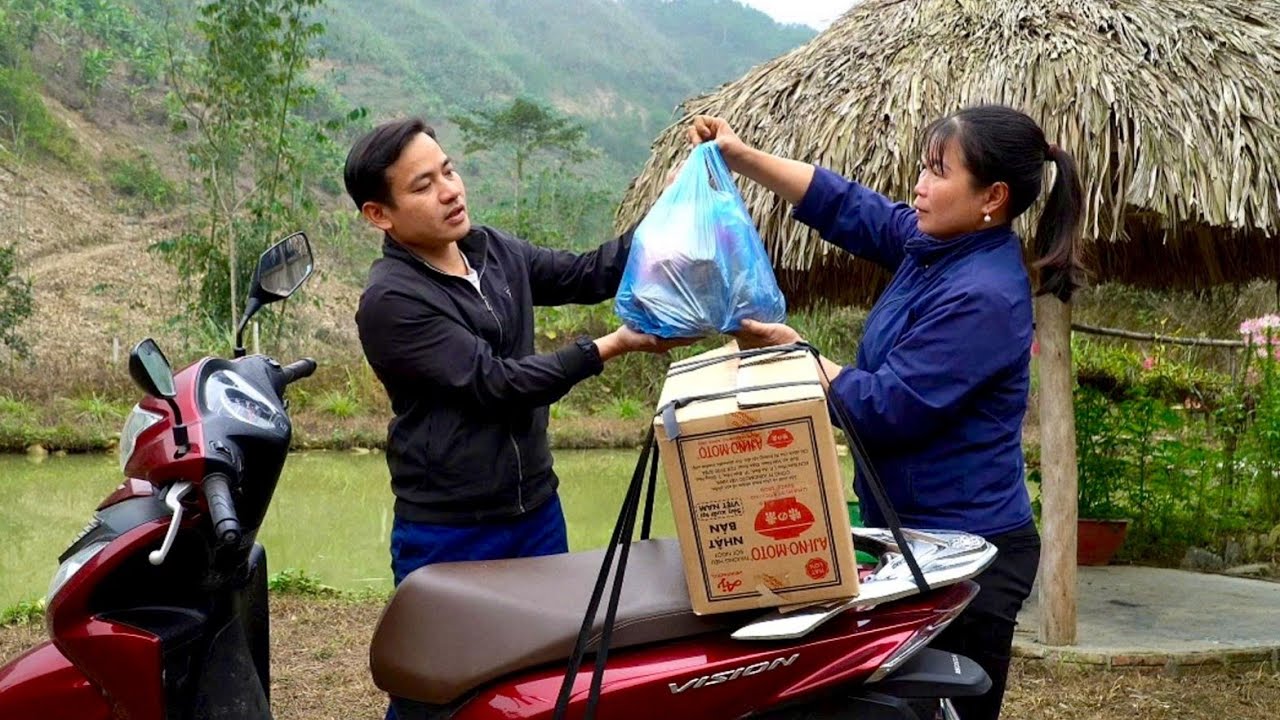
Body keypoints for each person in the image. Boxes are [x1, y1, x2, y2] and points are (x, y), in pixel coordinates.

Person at [689, 105, 1084, 720]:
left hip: (968, 554)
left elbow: (887, 408)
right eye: (923, 169)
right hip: (909, 538)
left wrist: (800, 359)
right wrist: (741, 157)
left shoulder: (983, 294)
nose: (920, 187)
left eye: (938, 172)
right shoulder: (938, 247)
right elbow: (854, 208)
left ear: (992, 197)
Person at [345, 117, 686, 589]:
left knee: (552, 654)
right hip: (450, 529)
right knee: (460, 660)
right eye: (424, 185)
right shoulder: (392, 300)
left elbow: (587, 274)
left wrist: (669, 208)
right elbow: (496, 384)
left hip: (536, 510)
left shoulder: (494, 251)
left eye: (448, 171)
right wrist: (612, 345)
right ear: (380, 214)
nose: (449, 191)